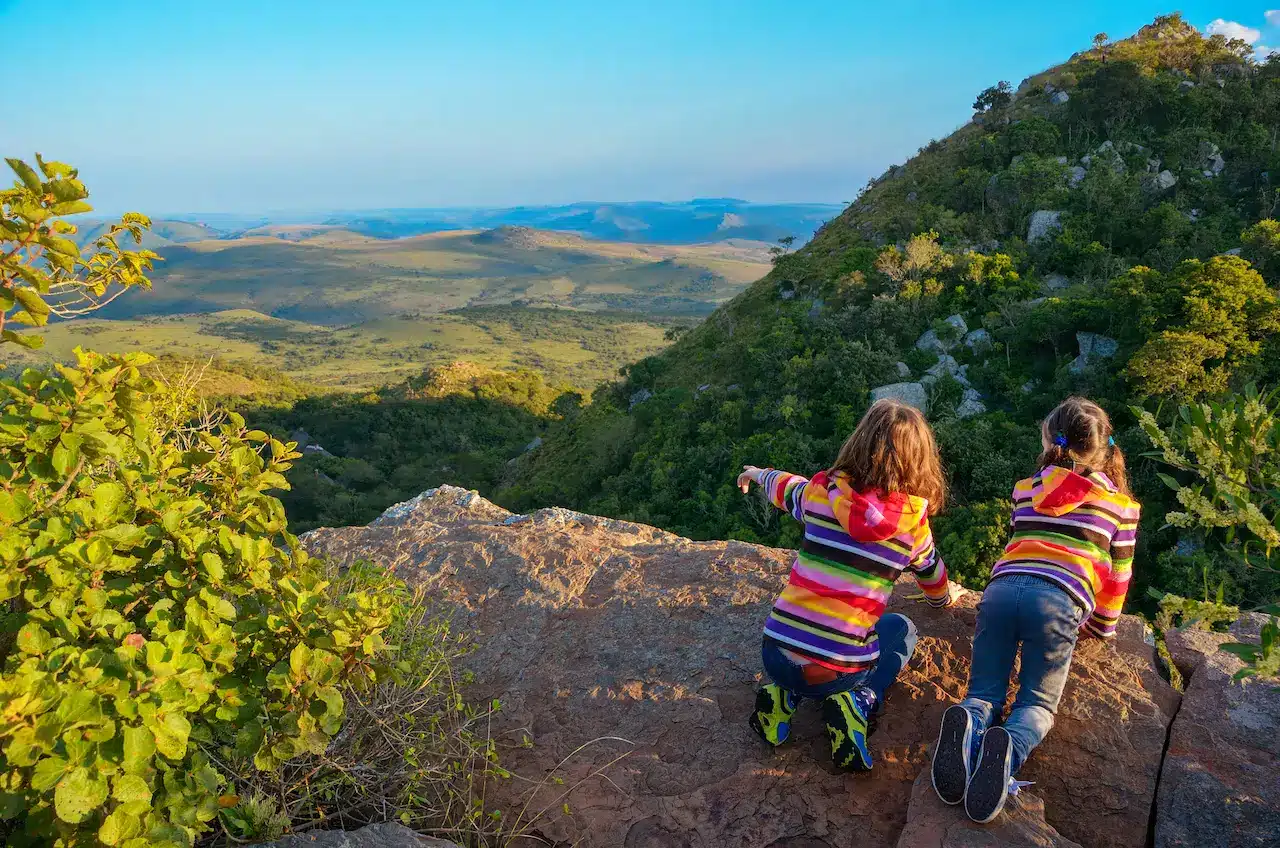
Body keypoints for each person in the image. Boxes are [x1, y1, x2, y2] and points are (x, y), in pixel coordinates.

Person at [930, 396, 1140, 822]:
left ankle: (971, 721)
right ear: (1106, 448)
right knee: (1038, 705)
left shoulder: (1026, 490)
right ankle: (1009, 745)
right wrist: (1101, 626)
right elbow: (1118, 578)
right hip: (1058, 602)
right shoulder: (1123, 507)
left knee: (983, 691)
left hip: (1001, 591)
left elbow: (1018, 542)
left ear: (1049, 440)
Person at [738, 398, 958, 772]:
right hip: (837, 671)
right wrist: (943, 601)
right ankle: (859, 701)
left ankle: (783, 696)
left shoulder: (822, 493)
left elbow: (785, 486)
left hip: (774, 654)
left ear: (858, 443)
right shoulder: (912, 526)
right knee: (901, 630)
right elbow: (932, 576)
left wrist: (757, 474)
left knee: (800, 647)